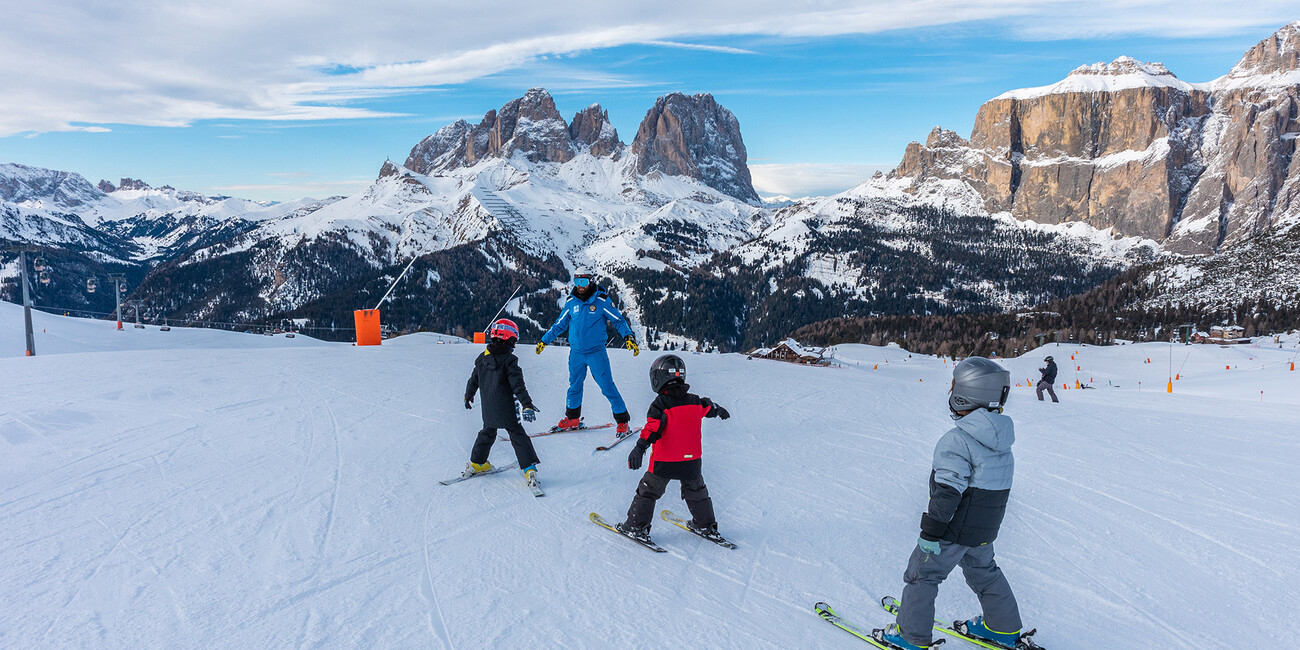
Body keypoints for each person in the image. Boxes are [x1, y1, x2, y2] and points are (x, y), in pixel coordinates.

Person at [881, 357, 1026, 650]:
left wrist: (930, 534)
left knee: (922, 574)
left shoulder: (957, 441)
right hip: (983, 531)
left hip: (952, 530)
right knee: (985, 573)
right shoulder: (1001, 442)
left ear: (963, 396)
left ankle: (910, 637)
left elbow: (948, 492)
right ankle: (1002, 628)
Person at [616, 354, 730, 543]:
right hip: (691, 462)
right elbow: (709, 407)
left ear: (658, 378)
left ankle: (636, 526)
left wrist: (639, 449)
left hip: (664, 462)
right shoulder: (695, 401)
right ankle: (705, 525)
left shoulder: (660, 404)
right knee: (696, 490)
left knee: (648, 490)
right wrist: (719, 410)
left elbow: (651, 430)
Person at [536, 268, 641, 436]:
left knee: (607, 386)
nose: (580, 286)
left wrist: (629, 336)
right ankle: (572, 418)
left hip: (596, 353)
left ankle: (623, 422)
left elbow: (618, 321)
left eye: (583, 282)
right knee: (574, 386)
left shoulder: (601, 301)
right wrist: (545, 340)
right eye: (577, 282)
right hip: (576, 353)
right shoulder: (571, 302)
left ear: (591, 281)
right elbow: (560, 324)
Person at [463, 318, 542, 488]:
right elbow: (518, 386)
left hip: (488, 410)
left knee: (487, 432)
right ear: (509, 338)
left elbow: (473, 379)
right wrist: (526, 404)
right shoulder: (510, 360)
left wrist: (468, 395)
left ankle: (477, 463)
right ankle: (529, 468)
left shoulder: (482, 358)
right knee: (517, 435)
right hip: (507, 410)